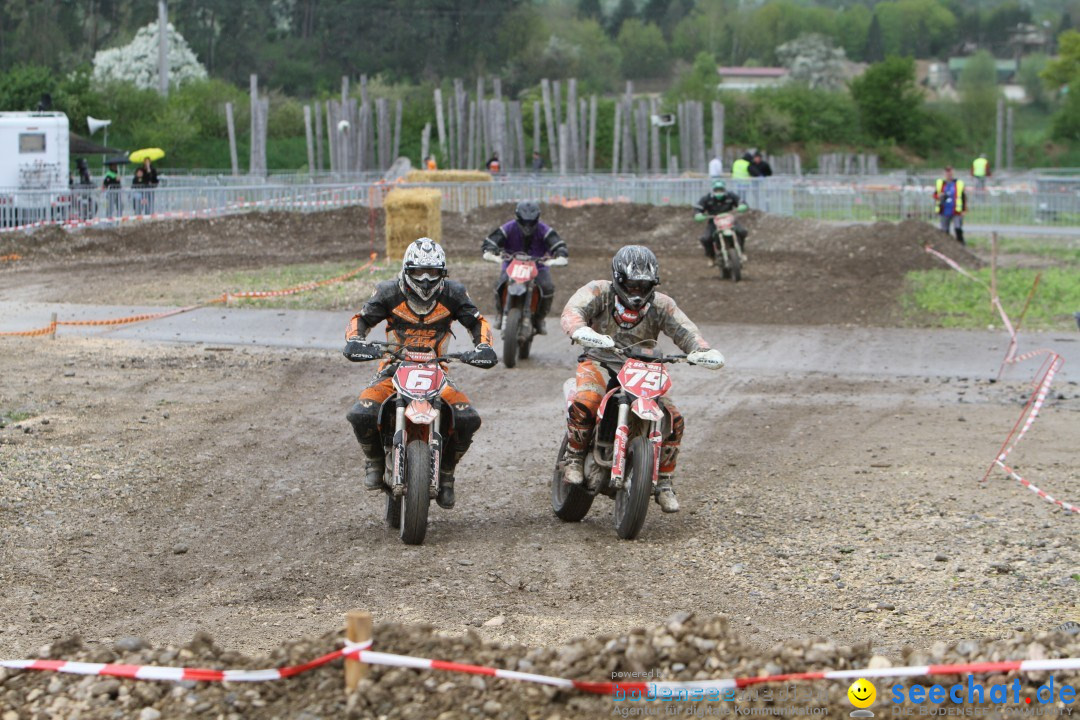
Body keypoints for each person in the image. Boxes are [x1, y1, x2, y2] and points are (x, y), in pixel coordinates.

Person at [559, 245, 726, 513]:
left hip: (643, 368)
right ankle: (574, 457)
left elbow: (686, 331)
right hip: (599, 360)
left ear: (653, 283)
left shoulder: (662, 304)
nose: (636, 290)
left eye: (643, 285)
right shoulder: (598, 291)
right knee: (588, 400)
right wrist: (580, 330)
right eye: (632, 284)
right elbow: (572, 311)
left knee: (673, 419)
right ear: (619, 278)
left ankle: (664, 481)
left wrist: (701, 351)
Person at [343, 238, 497, 509]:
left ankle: (447, 473)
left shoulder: (454, 294)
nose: (425, 280)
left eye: (433, 273)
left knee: (467, 418)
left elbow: (477, 322)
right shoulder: (388, 292)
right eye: (418, 272)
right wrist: (356, 340)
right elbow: (361, 319)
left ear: (443, 273)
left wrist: (484, 346)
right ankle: (375, 461)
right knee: (361, 412)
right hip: (393, 369)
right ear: (406, 270)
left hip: (437, 370)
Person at [481, 200, 568, 335]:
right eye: (524, 222)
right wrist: (491, 251)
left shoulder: (544, 230)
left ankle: (539, 318)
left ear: (537, 219)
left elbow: (557, 244)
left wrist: (560, 255)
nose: (527, 226)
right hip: (511, 265)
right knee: (500, 285)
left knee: (547, 287)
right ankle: (500, 312)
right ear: (517, 218)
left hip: (539, 267)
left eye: (531, 222)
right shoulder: (509, 227)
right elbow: (492, 240)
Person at [693, 180, 748, 261]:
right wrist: (698, 214)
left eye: (721, 190)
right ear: (713, 190)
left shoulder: (730, 196)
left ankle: (741, 251)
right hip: (714, 222)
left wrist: (742, 205)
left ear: (724, 189)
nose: (719, 192)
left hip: (729, 219)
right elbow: (698, 208)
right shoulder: (707, 198)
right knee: (706, 238)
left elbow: (740, 201)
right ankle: (711, 257)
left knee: (742, 231)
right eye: (717, 190)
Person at [934, 166, 967, 245]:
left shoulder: (958, 184)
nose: (949, 175)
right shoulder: (941, 184)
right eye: (947, 173)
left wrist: (964, 209)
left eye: (950, 173)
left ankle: (961, 244)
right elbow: (935, 194)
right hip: (944, 209)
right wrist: (939, 196)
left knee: (958, 228)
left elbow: (963, 197)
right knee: (944, 230)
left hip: (956, 209)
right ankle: (945, 245)